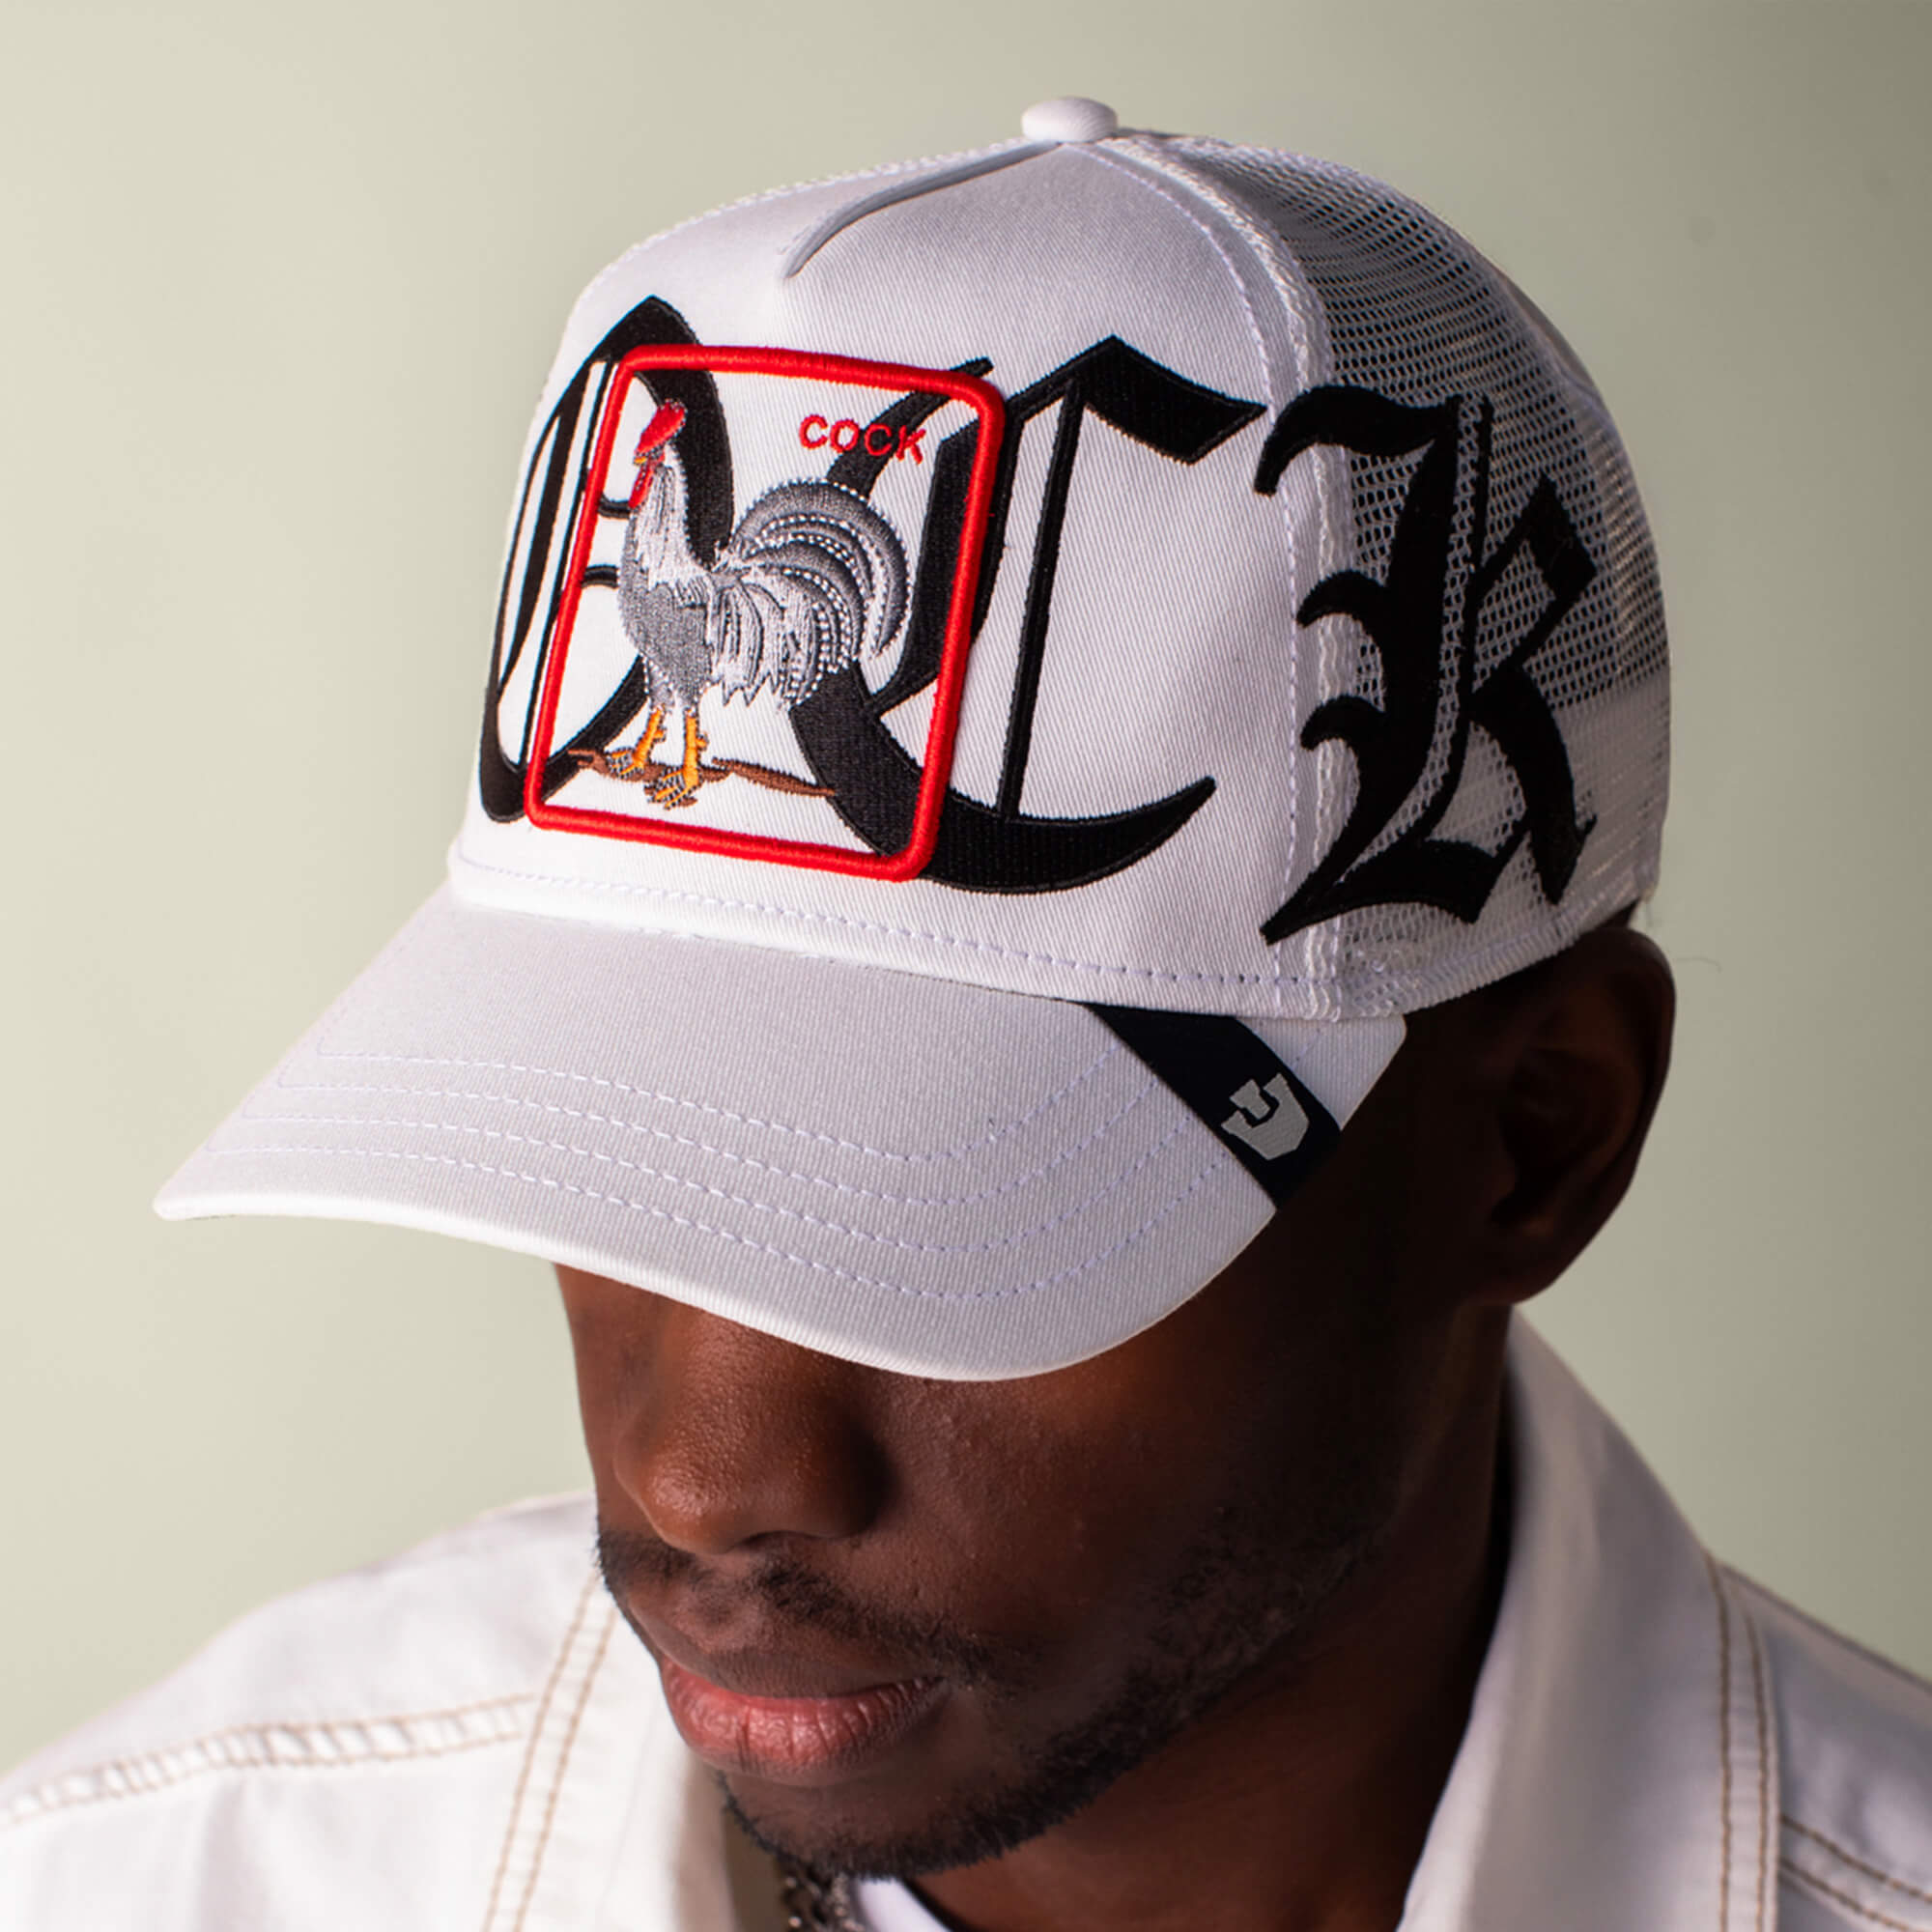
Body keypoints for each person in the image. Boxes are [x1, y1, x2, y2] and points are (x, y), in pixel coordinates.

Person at [3, 97, 1926, 1932]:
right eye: (611, 1169)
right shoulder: (165, 1877)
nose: (699, 1479)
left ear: (1536, 1140)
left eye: (938, 1232)